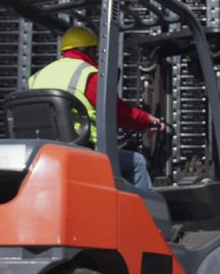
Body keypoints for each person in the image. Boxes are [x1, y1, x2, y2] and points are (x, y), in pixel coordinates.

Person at [28, 26, 165, 190]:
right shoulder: (88, 74)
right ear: (90, 51)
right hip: (82, 150)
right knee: (137, 162)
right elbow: (117, 113)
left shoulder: (36, 77)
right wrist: (147, 120)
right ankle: (146, 213)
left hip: (43, 153)